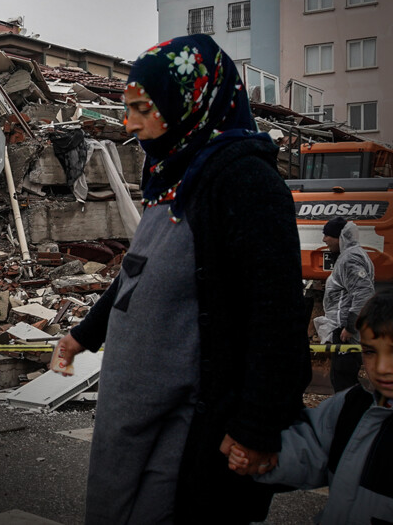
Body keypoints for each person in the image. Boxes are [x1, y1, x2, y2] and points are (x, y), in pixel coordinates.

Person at [53, 34, 311, 524]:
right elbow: (136, 275)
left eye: (143, 108)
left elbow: (275, 314)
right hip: (135, 422)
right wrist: (81, 336)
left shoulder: (243, 181)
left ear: (191, 99)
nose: (130, 124)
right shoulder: (170, 176)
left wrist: (257, 424)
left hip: (190, 429)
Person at [231, 285, 393, 524]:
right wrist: (264, 457)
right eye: (370, 351)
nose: (381, 368)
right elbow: (308, 450)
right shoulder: (350, 406)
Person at [321, 216, 375, 392]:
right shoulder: (351, 255)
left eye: (327, 235)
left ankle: (349, 414)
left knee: (343, 379)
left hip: (346, 329)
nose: (324, 239)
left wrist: (351, 326)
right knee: (343, 377)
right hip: (346, 327)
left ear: (339, 237)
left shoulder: (349, 259)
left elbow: (363, 293)